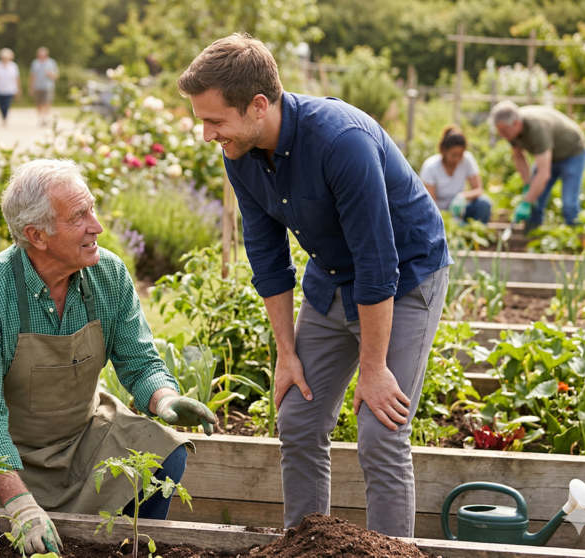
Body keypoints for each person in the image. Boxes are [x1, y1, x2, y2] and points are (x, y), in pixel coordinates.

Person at [178, 34, 450, 538]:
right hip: (330, 277)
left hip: (406, 275)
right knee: (298, 419)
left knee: (379, 428)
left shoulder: (339, 141)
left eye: (214, 120)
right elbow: (267, 259)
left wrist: (373, 368)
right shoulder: (239, 152)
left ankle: (393, 552)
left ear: (258, 105)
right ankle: (303, 548)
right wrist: (287, 352)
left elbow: (378, 261)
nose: (206, 134)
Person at [0, 158, 217, 555]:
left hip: (84, 438)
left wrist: (166, 399)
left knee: (167, 453)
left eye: (92, 207)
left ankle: (133, 549)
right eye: (79, 216)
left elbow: (139, 361)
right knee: (11, 541)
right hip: (9, 450)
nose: (97, 225)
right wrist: (21, 505)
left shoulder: (108, 274)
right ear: (36, 235)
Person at [490, 100, 585, 232]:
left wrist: (526, 202)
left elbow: (544, 173)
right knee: (535, 201)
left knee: (569, 205)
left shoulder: (537, 127)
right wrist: (527, 185)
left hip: (572, 153)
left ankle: (575, 241)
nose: (501, 134)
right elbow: (519, 156)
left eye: (503, 130)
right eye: (499, 131)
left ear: (516, 123)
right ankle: (531, 237)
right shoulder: (512, 131)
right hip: (549, 156)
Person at [419, 126, 492, 223]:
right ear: (444, 150)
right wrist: (447, 219)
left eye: (460, 155)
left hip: (461, 210)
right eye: (453, 155)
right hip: (440, 214)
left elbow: (478, 189)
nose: (457, 159)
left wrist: (463, 196)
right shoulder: (430, 166)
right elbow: (431, 204)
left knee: (484, 204)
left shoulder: (467, 160)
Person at [29, 47, 59, 126]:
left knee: (47, 102)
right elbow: (32, 76)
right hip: (38, 86)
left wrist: (50, 74)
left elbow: (56, 75)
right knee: (39, 103)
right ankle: (41, 117)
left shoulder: (52, 63)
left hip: (48, 87)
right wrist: (31, 87)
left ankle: (45, 118)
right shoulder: (35, 63)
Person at [0, 48, 21, 125]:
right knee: (0, 105)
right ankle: (3, 117)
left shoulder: (13, 66)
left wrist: (18, 89)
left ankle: (5, 118)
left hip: (9, 89)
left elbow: (16, 78)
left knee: (7, 104)